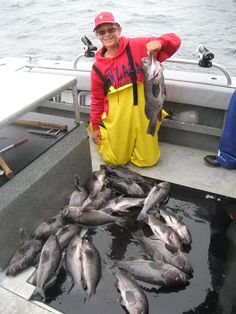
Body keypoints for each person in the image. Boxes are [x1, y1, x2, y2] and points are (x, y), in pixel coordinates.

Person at [90, 11, 181, 167]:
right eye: (101, 32)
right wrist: (96, 125)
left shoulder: (138, 46)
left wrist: (160, 43)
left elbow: (175, 40)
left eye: (111, 29)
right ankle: (103, 131)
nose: (107, 34)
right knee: (115, 161)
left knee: (148, 161)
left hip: (144, 113)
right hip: (118, 117)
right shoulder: (97, 67)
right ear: (97, 35)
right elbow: (97, 99)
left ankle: (134, 143)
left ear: (119, 30)